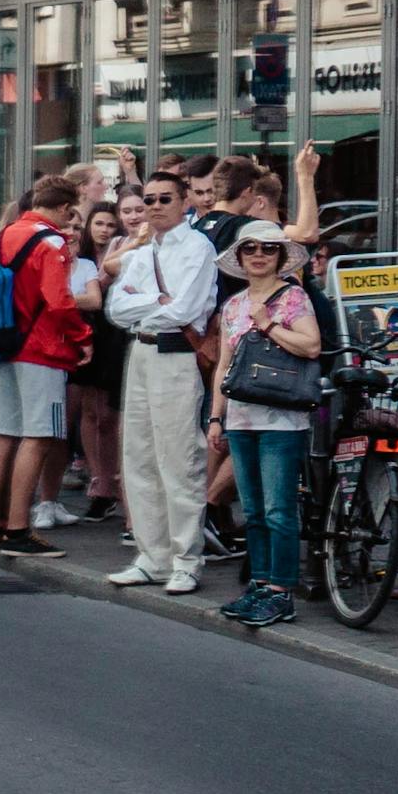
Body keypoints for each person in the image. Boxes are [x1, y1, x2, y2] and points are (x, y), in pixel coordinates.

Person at [97, 169, 218, 592]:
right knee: (140, 457)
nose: (155, 207)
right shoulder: (142, 251)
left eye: (165, 198)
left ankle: (187, 559)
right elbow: (115, 308)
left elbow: (184, 310)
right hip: (142, 350)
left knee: (179, 458)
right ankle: (153, 555)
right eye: (149, 200)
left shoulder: (198, 247)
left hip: (175, 354)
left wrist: (145, 305)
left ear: (185, 201)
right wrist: (154, 301)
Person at [210, 221, 324, 628]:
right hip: (240, 416)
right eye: (251, 248)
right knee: (254, 509)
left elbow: (312, 346)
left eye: (269, 249)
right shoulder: (233, 305)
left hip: (282, 418)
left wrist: (270, 324)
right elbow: (224, 364)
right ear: (240, 257)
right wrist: (215, 416)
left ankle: (281, 591)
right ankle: (259, 584)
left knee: (279, 509)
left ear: (280, 256)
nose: (259, 255)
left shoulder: (293, 298)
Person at [0, 176, 91, 560]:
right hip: (41, 348)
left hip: (6, 340)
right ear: (64, 207)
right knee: (38, 437)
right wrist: (83, 335)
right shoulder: (51, 242)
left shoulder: (10, 232)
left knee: (3, 431)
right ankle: (20, 528)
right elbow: (58, 300)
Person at [60, 198, 128, 535]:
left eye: (110, 225)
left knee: (109, 414)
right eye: (98, 224)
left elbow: (101, 289)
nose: (103, 230)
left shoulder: (123, 251)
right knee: (88, 410)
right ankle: (100, 480)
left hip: (113, 333)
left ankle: (113, 480)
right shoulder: (80, 256)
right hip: (84, 330)